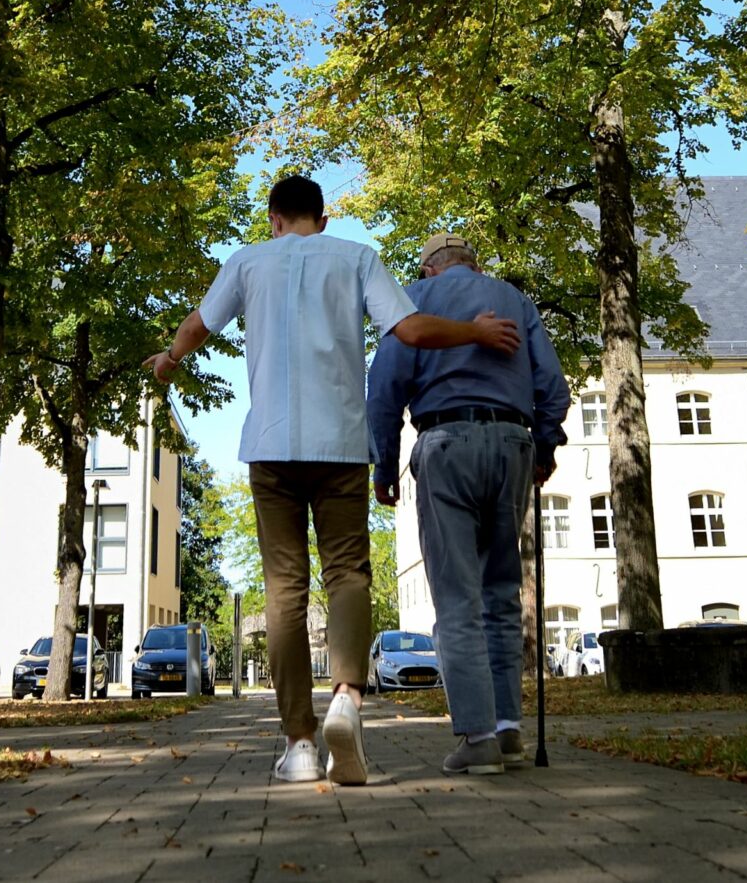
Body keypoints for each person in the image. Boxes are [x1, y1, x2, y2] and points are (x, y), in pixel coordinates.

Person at [148, 178, 521, 785]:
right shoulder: (355, 257)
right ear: (321, 219)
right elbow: (414, 330)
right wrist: (477, 333)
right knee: (347, 572)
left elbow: (197, 326)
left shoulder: (246, 263)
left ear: (272, 219)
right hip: (341, 447)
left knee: (283, 590)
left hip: (270, 448)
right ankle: (347, 698)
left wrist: (169, 359)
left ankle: (298, 743)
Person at [367, 232, 570, 776]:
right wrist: (546, 446)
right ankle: (509, 732)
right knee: (502, 593)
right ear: (470, 265)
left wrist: (384, 466)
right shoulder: (515, 300)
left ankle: (477, 737)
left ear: (431, 269)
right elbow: (552, 384)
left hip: (446, 442)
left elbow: (384, 385)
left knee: (457, 598)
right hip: (513, 445)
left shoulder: (414, 301)